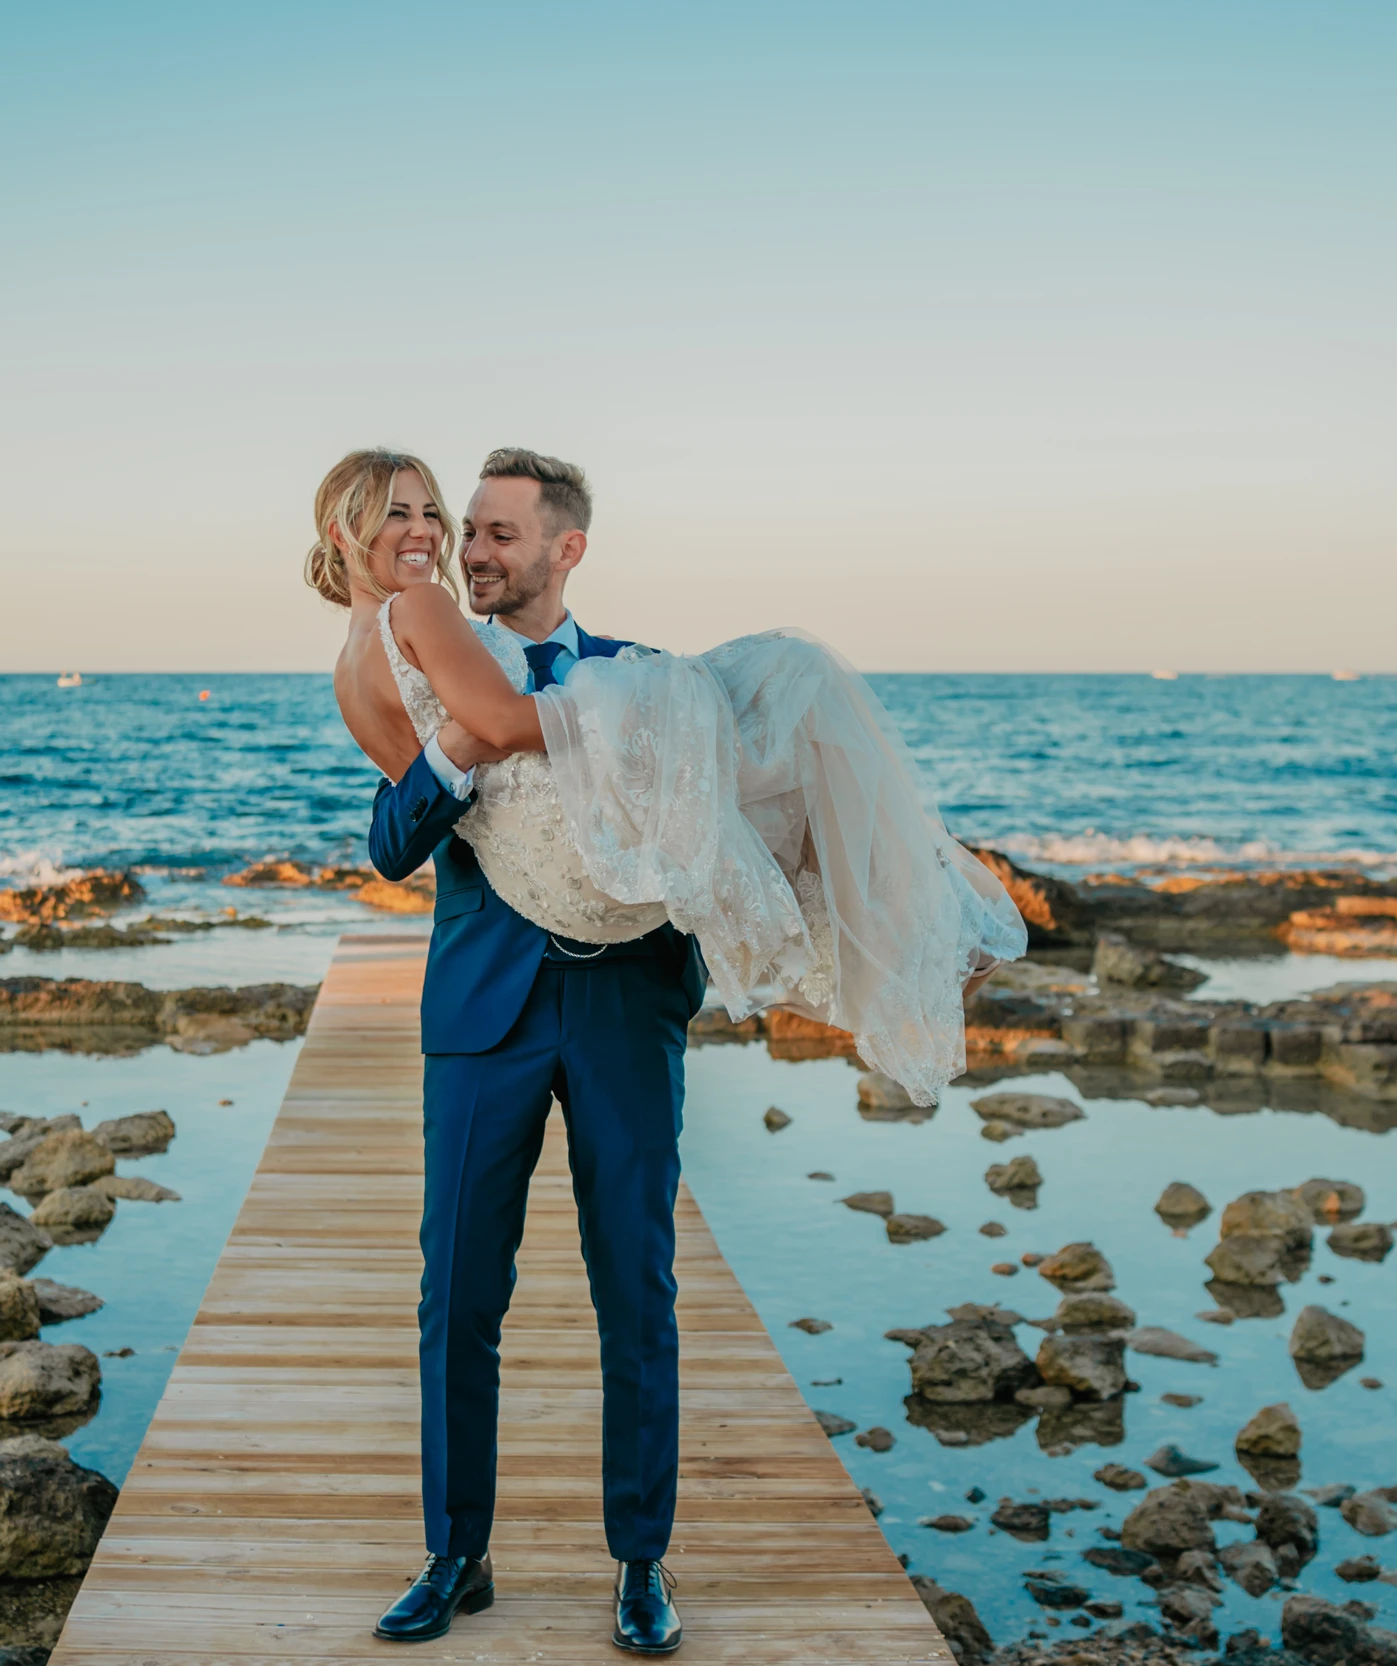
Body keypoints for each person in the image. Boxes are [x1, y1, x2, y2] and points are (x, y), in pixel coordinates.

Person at [313, 446, 1025, 1654]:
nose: (467, 548)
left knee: (635, 1288)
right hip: (482, 1011)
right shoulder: (426, 652)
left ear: (565, 550)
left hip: (629, 1007)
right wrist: (460, 750)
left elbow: (741, 827)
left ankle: (641, 1562)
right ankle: (453, 1553)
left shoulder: (646, 680)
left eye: (491, 531)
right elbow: (393, 833)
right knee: (457, 1295)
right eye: (456, 527)